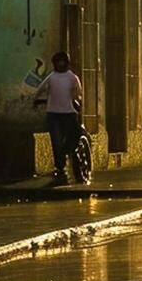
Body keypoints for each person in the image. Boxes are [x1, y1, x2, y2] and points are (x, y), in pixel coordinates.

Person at [33, 51, 83, 184]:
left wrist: (76, 102)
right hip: (53, 113)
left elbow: (78, 92)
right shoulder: (51, 77)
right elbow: (40, 89)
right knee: (56, 140)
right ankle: (59, 166)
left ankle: (65, 156)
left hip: (68, 112)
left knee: (67, 139)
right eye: (58, 62)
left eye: (62, 62)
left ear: (66, 63)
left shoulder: (72, 77)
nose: (60, 64)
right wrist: (37, 100)